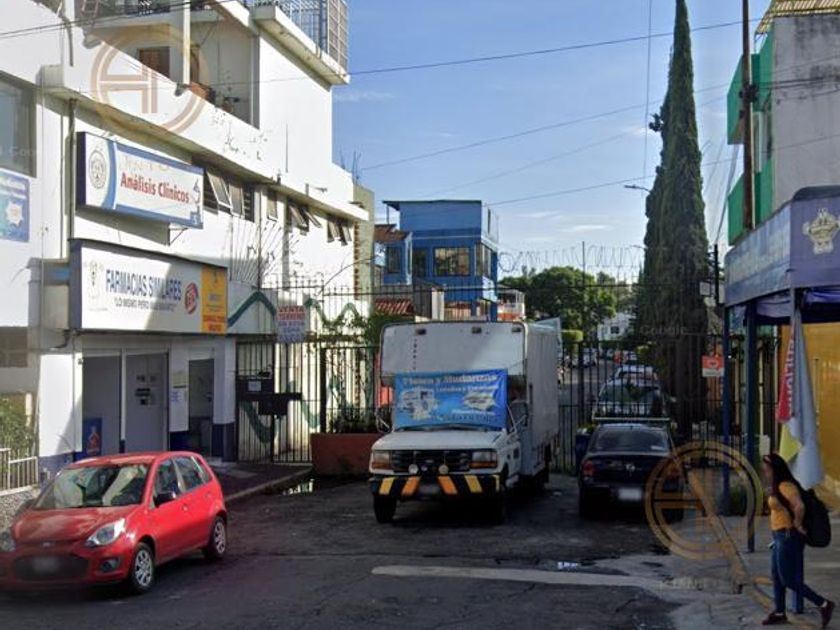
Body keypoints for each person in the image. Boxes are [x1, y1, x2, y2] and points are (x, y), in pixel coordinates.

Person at [761, 453, 834, 626]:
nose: (765, 473)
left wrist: (797, 523)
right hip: (779, 536)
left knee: (788, 579)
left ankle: (823, 604)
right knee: (776, 576)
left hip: (788, 536)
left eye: (767, 470)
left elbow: (799, 506)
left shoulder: (786, 486)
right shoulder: (777, 486)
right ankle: (780, 612)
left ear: (775, 469)